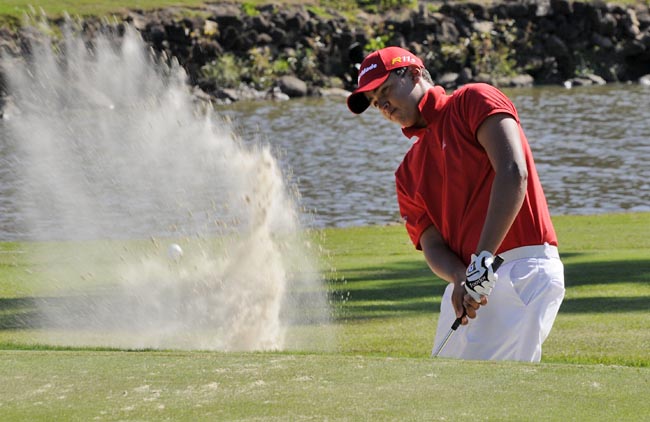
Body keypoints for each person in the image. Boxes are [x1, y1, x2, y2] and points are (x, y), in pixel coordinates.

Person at [346, 46, 565, 362]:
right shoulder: (407, 173)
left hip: (522, 268)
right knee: (445, 392)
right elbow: (432, 243)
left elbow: (513, 172)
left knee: (491, 396)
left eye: (385, 91)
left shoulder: (474, 100)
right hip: (471, 285)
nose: (383, 105)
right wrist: (459, 276)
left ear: (413, 73)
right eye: (375, 102)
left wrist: (483, 260)